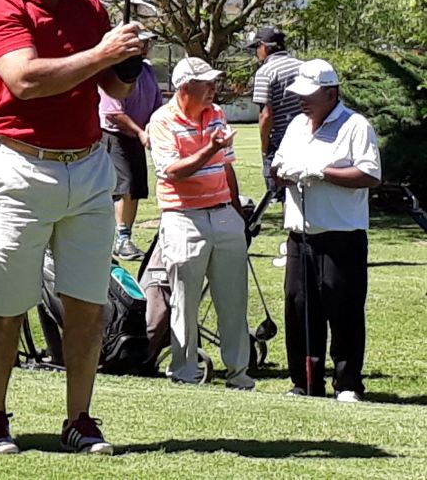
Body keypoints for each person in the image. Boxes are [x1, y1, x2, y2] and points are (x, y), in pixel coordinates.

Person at [0, 0, 145, 456]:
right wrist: (102, 53)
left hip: (88, 166)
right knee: (7, 305)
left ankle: (80, 419)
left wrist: (126, 62)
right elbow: (25, 80)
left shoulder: (87, 5)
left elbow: (113, 88)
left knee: (88, 304)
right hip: (20, 167)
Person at [271, 59, 381, 402]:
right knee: (299, 309)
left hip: (341, 235)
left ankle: (347, 384)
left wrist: (322, 172)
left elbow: (370, 175)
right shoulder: (296, 125)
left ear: (331, 93)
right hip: (300, 235)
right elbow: (279, 167)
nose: (302, 100)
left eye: (310, 94)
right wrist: (283, 172)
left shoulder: (355, 125)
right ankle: (306, 383)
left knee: (344, 309)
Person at [147, 57, 254, 390]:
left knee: (233, 300)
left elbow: (227, 166)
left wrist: (237, 213)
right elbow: (172, 171)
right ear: (184, 87)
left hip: (223, 214)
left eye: (213, 82)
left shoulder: (217, 113)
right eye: (205, 83)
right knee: (184, 301)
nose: (213, 88)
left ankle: (239, 375)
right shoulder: (161, 121)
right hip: (183, 217)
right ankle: (185, 371)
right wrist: (210, 149)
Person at [98, 35, 162, 260]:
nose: (146, 46)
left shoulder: (147, 70)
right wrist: (140, 132)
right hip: (114, 136)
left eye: (147, 43)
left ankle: (125, 238)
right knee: (124, 188)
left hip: (137, 136)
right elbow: (113, 113)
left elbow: (156, 104)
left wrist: (153, 127)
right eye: (142, 42)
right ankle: (121, 239)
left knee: (135, 189)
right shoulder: (115, 69)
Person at [247, 27, 302, 199]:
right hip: (305, 137)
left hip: (279, 141)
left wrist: (264, 147)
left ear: (265, 47)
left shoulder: (265, 72)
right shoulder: (302, 66)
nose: (256, 52)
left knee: (279, 191)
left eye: (256, 47)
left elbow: (266, 115)